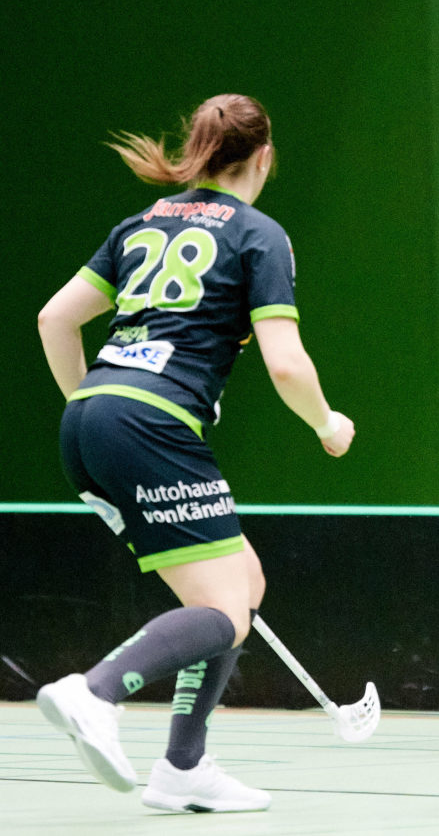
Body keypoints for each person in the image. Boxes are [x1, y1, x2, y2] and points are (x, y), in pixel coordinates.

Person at [35, 94, 355, 812]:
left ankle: (183, 766)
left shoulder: (141, 222)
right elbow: (286, 365)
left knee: (243, 582)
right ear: (264, 157)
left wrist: (92, 407)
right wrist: (326, 422)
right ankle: (95, 691)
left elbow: (55, 318)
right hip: (152, 423)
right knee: (224, 607)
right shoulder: (259, 234)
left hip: (90, 416)